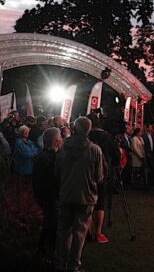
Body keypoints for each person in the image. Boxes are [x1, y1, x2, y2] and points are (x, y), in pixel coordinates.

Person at [55, 117, 106, 272]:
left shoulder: (63, 147)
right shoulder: (94, 149)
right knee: (80, 233)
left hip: (66, 194)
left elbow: (57, 171)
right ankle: (73, 266)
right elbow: (100, 177)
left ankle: (60, 264)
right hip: (86, 197)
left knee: (63, 231)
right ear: (89, 130)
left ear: (75, 128)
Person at [86, 113, 119, 244]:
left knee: (87, 204)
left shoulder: (85, 135)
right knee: (100, 204)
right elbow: (116, 157)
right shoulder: (107, 136)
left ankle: (87, 231)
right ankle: (98, 233)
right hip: (102, 174)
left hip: (86, 173)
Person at [33, 127, 63, 261]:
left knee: (49, 221)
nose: (62, 139)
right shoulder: (53, 159)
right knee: (53, 223)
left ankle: (43, 249)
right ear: (57, 142)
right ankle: (49, 252)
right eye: (61, 137)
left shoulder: (41, 155)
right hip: (50, 197)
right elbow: (55, 179)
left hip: (42, 195)